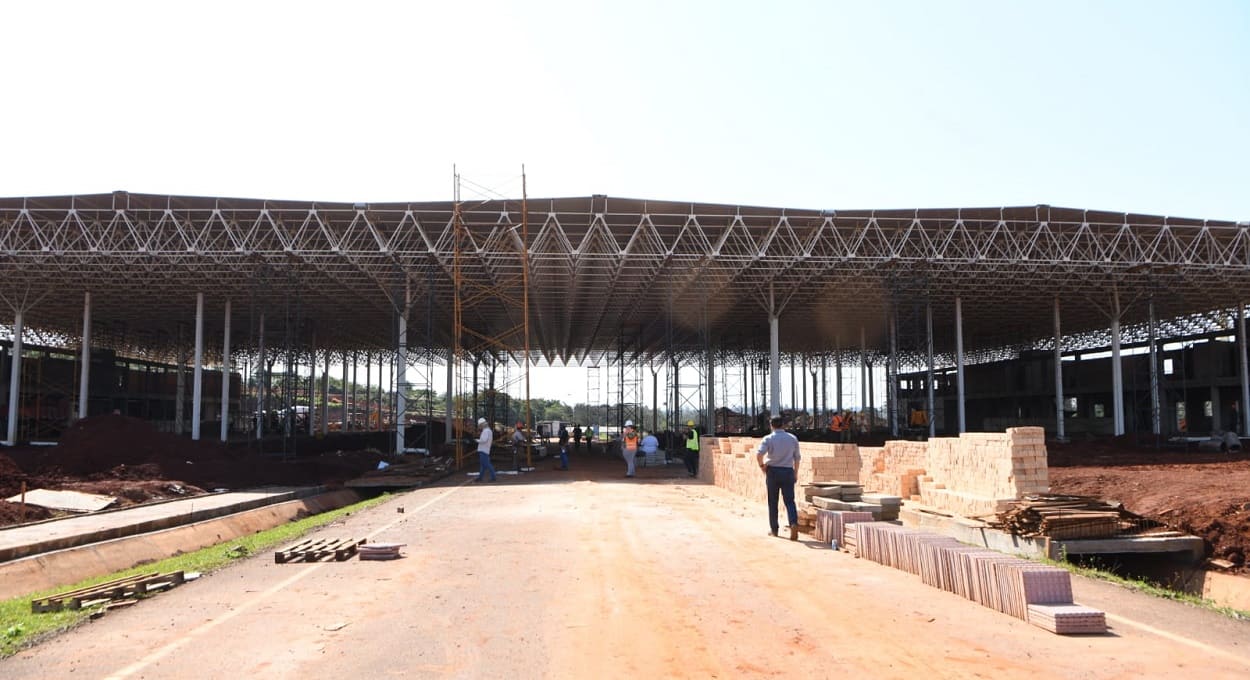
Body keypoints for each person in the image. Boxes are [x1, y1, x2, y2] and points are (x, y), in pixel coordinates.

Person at [756, 416, 801, 540]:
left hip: (773, 472)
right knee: (790, 501)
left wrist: (762, 466)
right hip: (788, 471)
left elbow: (759, 454)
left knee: (773, 501)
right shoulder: (793, 439)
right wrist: (795, 472)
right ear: (783, 425)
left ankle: (774, 530)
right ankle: (793, 523)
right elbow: (797, 458)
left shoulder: (768, 438)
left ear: (771, 425)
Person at [476, 418, 497, 482]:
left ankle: (493, 477)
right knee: (483, 465)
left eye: (480, 425)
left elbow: (483, 440)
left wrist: (476, 440)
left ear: (482, 424)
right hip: (485, 449)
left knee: (487, 464)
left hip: (483, 449)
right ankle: (480, 477)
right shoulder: (488, 430)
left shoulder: (485, 431)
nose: (479, 426)